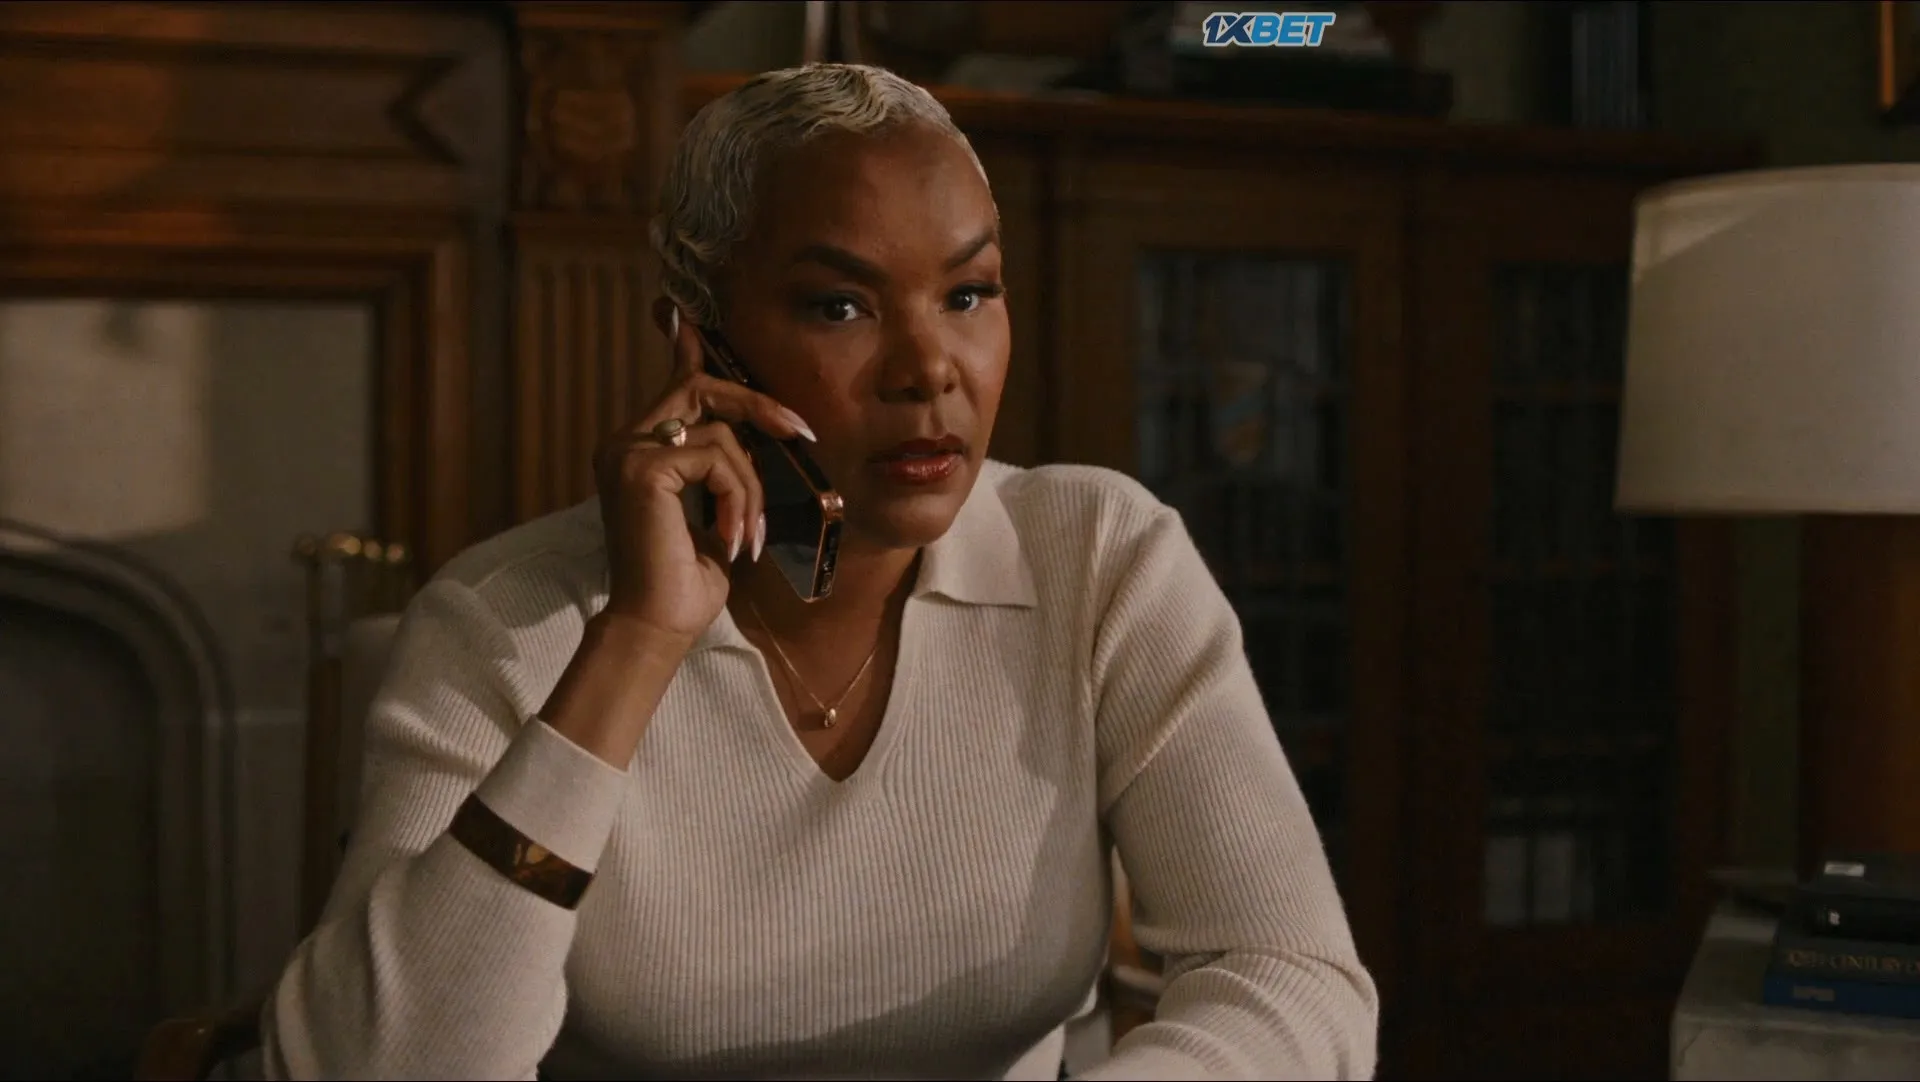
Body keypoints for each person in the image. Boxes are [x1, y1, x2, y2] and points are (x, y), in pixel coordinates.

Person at [262, 63, 1378, 1081]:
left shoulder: (1101, 558)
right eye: (840, 306)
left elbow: (1292, 976)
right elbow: (375, 1068)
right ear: (701, 342)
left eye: (969, 293)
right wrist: (637, 641)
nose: (928, 368)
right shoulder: (503, 623)